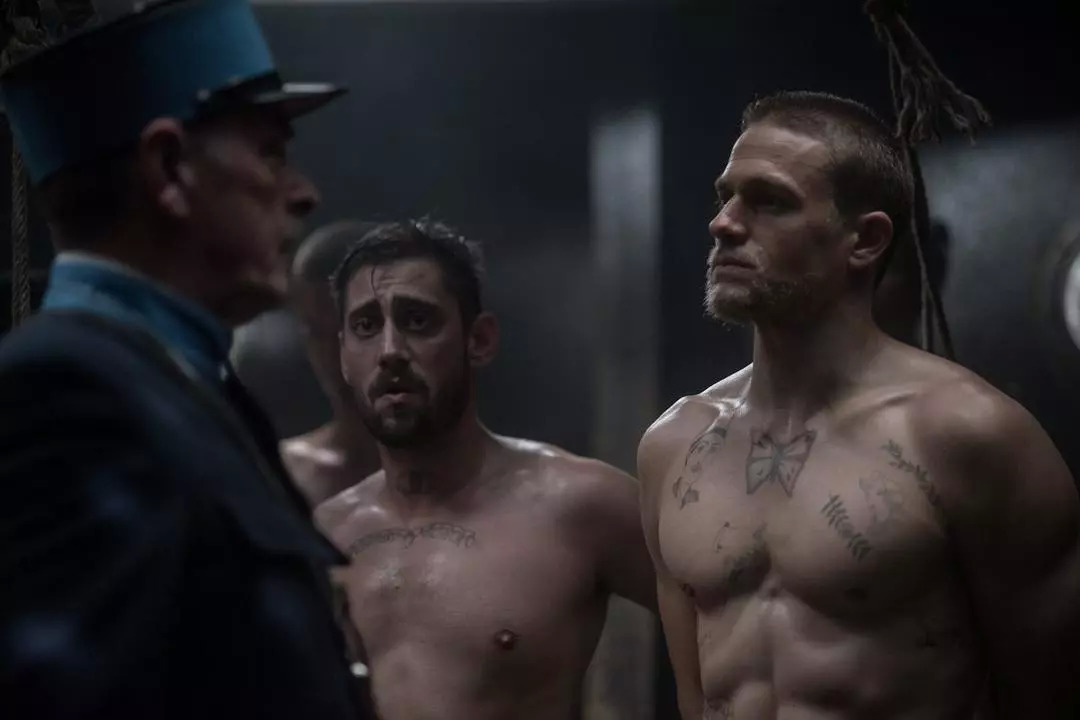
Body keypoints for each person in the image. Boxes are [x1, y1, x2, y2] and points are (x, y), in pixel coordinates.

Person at [638, 91, 1080, 720]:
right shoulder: (672, 446)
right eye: (725, 197)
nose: (724, 224)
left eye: (769, 201)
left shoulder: (967, 434)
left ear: (865, 240)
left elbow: (1049, 696)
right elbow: (697, 698)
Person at [0, 1, 373, 717]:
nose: (303, 192)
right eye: (270, 152)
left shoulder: (178, 384)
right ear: (170, 168)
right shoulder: (70, 393)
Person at [315, 218, 657, 720]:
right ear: (344, 355)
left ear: (479, 339)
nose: (390, 351)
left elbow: (737, 634)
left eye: (417, 320)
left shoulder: (581, 505)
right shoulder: (322, 539)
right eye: (366, 326)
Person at [282, 220, 382, 508]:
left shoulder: (489, 478)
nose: (334, 356)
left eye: (360, 329)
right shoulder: (278, 476)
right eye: (316, 333)